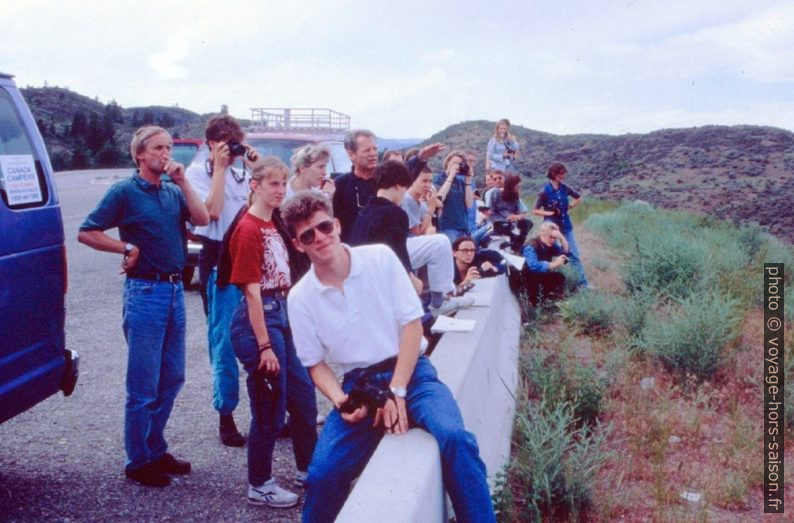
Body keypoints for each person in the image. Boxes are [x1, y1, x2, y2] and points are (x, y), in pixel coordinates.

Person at [281, 191, 496, 522]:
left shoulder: (379, 259)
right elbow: (314, 364)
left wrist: (396, 391)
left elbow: (412, 327)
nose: (320, 238)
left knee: (456, 439)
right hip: (360, 384)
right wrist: (341, 402)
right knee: (322, 475)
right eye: (307, 235)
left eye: (324, 227)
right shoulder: (300, 298)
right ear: (298, 244)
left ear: (336, 225)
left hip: (412, 373)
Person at [78, 126, 210, 487]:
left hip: (172, 292)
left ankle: (154, 447)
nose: (166, 154)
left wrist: (183, 182)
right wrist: (124, 248)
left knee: (173, 376)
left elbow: (202, 219)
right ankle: (138, 460)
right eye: (158, 148)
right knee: (143, 384)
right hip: (145, 292)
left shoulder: (171, 191)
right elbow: (87, 231)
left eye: (169, 147)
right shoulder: (124, 191)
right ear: (140, 155)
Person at [227, 157, 318, 508]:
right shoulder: (249, 228)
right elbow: (251, 291)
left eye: (283, 184)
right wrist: (264, 345)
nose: (280, 190)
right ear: (255, 186)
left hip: (282, 311)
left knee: (303, 395)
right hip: (260, 319)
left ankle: (309, 468)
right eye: (272, 185)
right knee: (270, 406)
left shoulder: (272, 224)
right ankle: (260, 484)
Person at [185, 114, 257, 447]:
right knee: (224, 342)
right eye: (223, 143)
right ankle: (225, 415)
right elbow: (211, 211)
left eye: (234, 143)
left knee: (264, 336)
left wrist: (256, 167)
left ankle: (268, 414)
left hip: (249, 255)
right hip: (217, 257)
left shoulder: (245, 174)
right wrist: (221, 169)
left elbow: (272, 203)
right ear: (211, 144)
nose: (230, 150)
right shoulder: (197, 174)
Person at [350, 160, 472, 316]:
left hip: (364, 270)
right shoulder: (396, 213)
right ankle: (440, 301)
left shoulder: (365, 211)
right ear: (396, 185)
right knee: (440, 242)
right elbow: (397, 252)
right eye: (404, 187)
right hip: (381, 267)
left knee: (436, 242)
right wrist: (412, 279)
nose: (405, 192)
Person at [533, 161, 589, 288]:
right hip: (551, 229)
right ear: (553, 174)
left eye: (563, 175)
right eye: (560, 174)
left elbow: (578, 198)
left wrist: (569, 206)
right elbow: (535, 210)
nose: (562, 177)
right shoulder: (545, 191)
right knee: (549, 255)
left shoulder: (565, 188)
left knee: (574, 255)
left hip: (566, 227)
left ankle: (583, 284)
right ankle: (545, 284)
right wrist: (550, 213)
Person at [332, 129, 379, 242]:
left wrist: (420, 158)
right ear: (351, 154)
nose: (373, 154)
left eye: (375, 149)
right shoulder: (340, 185)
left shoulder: (385, 181)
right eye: (367, 150)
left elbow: (405, 176)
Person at [475, 173, 532, 252]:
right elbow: (491, 211)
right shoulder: (495, 193)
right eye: (516, 185)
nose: (518, 187)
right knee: (475, 237)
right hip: (496, 222)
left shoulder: (515, 196)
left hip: (510, 224)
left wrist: (517, 216)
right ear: (510, 185)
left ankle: (517, 247)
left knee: (528, 223)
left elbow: (525, 212)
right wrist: (487, 212)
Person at [522, 221, 570, 305]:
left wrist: (562, 238)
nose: (552, 240)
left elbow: (565, 252)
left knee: (560, 277)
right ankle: (534, 299)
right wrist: (555, 264)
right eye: (550, 237)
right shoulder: (531, 246)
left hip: (540, 275)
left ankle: (544, 295)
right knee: (535, 301)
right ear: (542, 234)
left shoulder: (550, 243)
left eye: (554, 238)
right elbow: (533, 266)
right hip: (528, 278)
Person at [434, 150, 474, 242]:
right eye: (454, 163)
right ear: (447, 163)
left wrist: (468, 182)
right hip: (447, 226)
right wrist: (450, 176)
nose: (456, 166)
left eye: (459, 164)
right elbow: (439, 199)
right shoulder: (439, 179)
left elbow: (469, 204)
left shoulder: (460, 182)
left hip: (463, 227)